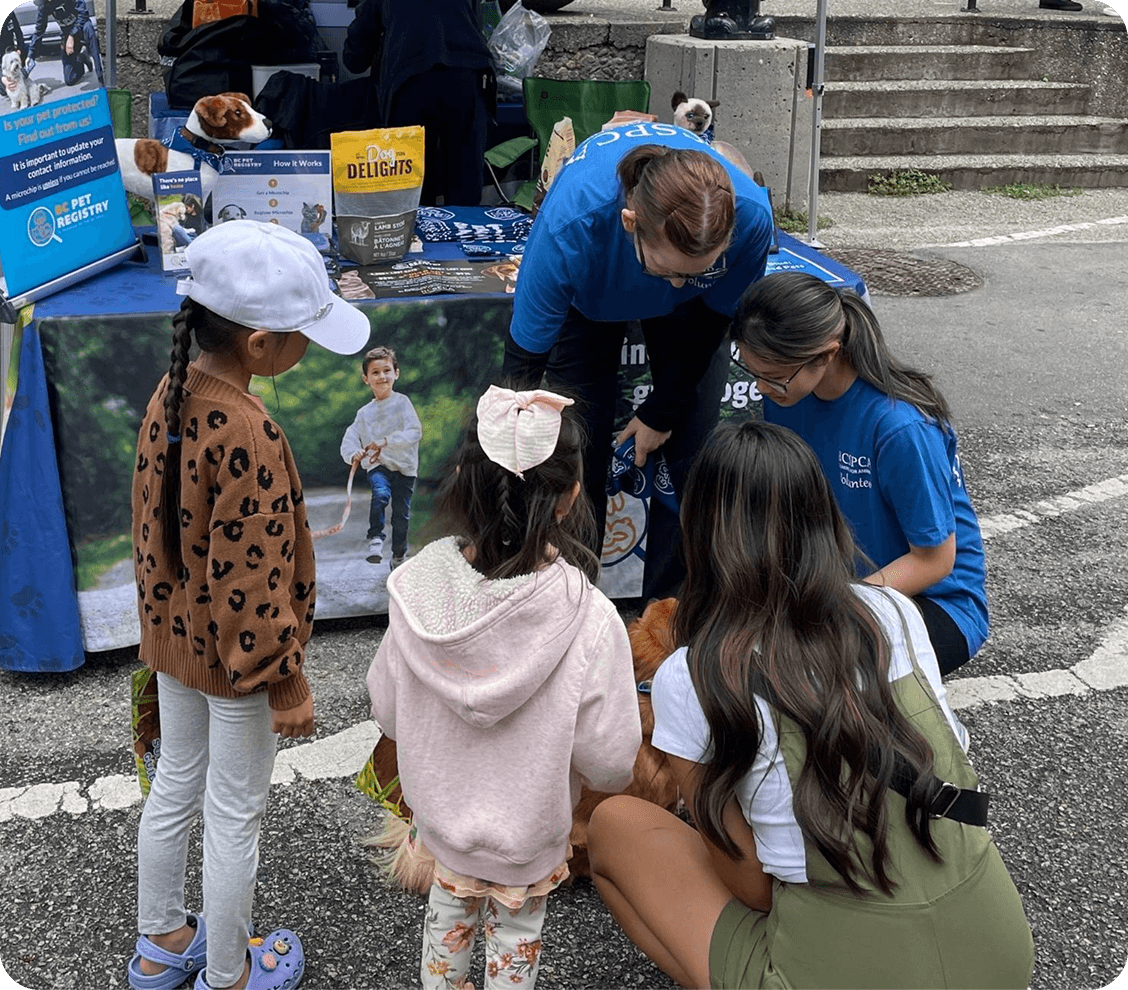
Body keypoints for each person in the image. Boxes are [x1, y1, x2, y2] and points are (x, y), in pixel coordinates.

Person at [587, 420, 1035, 990]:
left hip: (838, 966)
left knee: (613, 824)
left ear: (703, 538)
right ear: (823, 518)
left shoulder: (691, 676)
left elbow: (749, 887)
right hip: (995, 953)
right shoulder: (891, 611)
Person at [127, 221, 370, 990]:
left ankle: (162, 941)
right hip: (238, 667)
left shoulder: (170, 389)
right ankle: (229, 975)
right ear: (261, 345)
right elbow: (253, 579)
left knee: (176, 784)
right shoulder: (250, 433)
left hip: (177, 641)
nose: (310, 347)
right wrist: (285, 679)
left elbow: (155, 533)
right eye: (305, 333)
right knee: (235, 815)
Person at [366, 384, 642, 990]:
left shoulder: (416, 593)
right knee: (515, 943)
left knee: (447, 928)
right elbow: (612, 762)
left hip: (440, 827)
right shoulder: (589, 617)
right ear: (570, 496)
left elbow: (386, 709)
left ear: (463, 480)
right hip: (530, 836)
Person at [501, 123, 775, 602]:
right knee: (576, 451)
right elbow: (523, 366)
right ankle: (572, 604)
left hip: (697, 312)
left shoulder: (750, 219)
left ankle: (670, 618)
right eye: (664, 271)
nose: (671, 287)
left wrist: (661, 410)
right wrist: (506, 460)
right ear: (630, 221)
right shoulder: (571, 226)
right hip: (591, 297)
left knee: (690, 450)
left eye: (697, 269)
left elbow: (710, 328)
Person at [730, 270, 987, 676]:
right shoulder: (789, 391)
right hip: (836, 583)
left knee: (802, 673)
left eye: (773, 376)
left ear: (827, 354)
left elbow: (935, 561)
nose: (761, 389)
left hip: (933, 602)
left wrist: (832, 607)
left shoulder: (901, 427)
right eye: (753, 372)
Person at [342, 0, 494, 206]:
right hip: (466, 72)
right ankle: (464, 231)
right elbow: (475, 20)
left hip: (409, 78)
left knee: (411, 180)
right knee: (464, 175)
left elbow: (356, 55)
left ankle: (416, 232)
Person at [339, 345, 422, 568]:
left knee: (401, 518)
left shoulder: (402, 403)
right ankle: (375, 538)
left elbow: (415, 432)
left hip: (405, 468)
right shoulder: (364, 413)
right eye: (375, 372)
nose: (382, 376)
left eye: (386, 370)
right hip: (379, 466)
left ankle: (398, 555)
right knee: (381, 494)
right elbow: (350, 437)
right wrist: (353, 454)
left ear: (396, 373)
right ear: (366, 379)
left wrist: (386, 441)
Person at [26, 0, 104, 87]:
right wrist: (30, 55)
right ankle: (81, 58)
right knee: (70, 80)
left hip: (82, 27)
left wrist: (72, 36)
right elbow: (39, 31)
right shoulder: (45, 5)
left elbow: (83, 14)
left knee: (89, 30)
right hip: (67, 34)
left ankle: (101, 77)